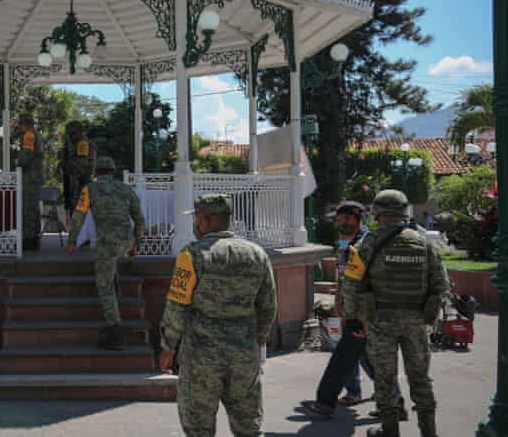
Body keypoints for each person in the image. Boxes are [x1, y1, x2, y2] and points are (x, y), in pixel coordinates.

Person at [158, 193, 277, 437]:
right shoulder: (257, 254)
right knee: (249, 428)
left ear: (207, 220)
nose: (195, 225)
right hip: (244, 354)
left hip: (201, 358)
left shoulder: (191, 255)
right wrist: (259, 338)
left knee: (198, 428)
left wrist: (168, 347)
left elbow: (176, 307)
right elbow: (268, 306)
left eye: (197, 219)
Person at [343, 190, 448, 437]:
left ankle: (390, 432)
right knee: (420, 379)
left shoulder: (367, 243)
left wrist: (352, 319)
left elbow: (350, 285)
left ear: (378, 213)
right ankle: (429, 432)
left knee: (385, 380)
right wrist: (430, 315)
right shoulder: (424, 242)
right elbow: (441, 284)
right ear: (404, 212)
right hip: (416, 322)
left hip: (381, 322)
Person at [301, 201, 405, 419]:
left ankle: (325, 402)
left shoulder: (364, 244)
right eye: (337, 221)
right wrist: (339, 298)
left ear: (354, 219)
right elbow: (348, 277)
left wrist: (365, 318)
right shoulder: (349, 242)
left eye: (342, 220)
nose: (339, 224)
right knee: (368, 358)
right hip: (355, 311)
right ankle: (394, 403)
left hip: (363, 313)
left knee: (341, 359)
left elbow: (372, 282)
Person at [67, 156, 144, 350]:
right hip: (125, 241)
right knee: (111, 271)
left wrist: (72, 240)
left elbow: (78, 217)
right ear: (113, 171)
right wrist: (136, 244)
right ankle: (117, 306)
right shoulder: (126, 189)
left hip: (107, 244)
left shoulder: (89, 189)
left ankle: (115, 332)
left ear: (96, 172)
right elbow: (140, 220)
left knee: (105, 286)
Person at [16, 113, 43, 251]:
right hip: (34, 177)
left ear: (24, 123)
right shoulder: (35, 134)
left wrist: (17, 162)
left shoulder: (29, 135)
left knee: (28, 208)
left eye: (20, 124)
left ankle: (28, 240)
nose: (19, 127)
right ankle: (33, 238)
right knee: (33, 208)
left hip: (30, 177)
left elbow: (25, 158)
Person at [59, 121, 95, 217]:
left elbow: (81, 165)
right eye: (69, 133)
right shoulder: (71, 142)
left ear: (79, 131)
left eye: (72, 133)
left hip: (82, 181)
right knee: (73, 207)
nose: (70, 136)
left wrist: (65, 164)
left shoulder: (83, 143)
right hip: (73, 179)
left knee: (80, 208)